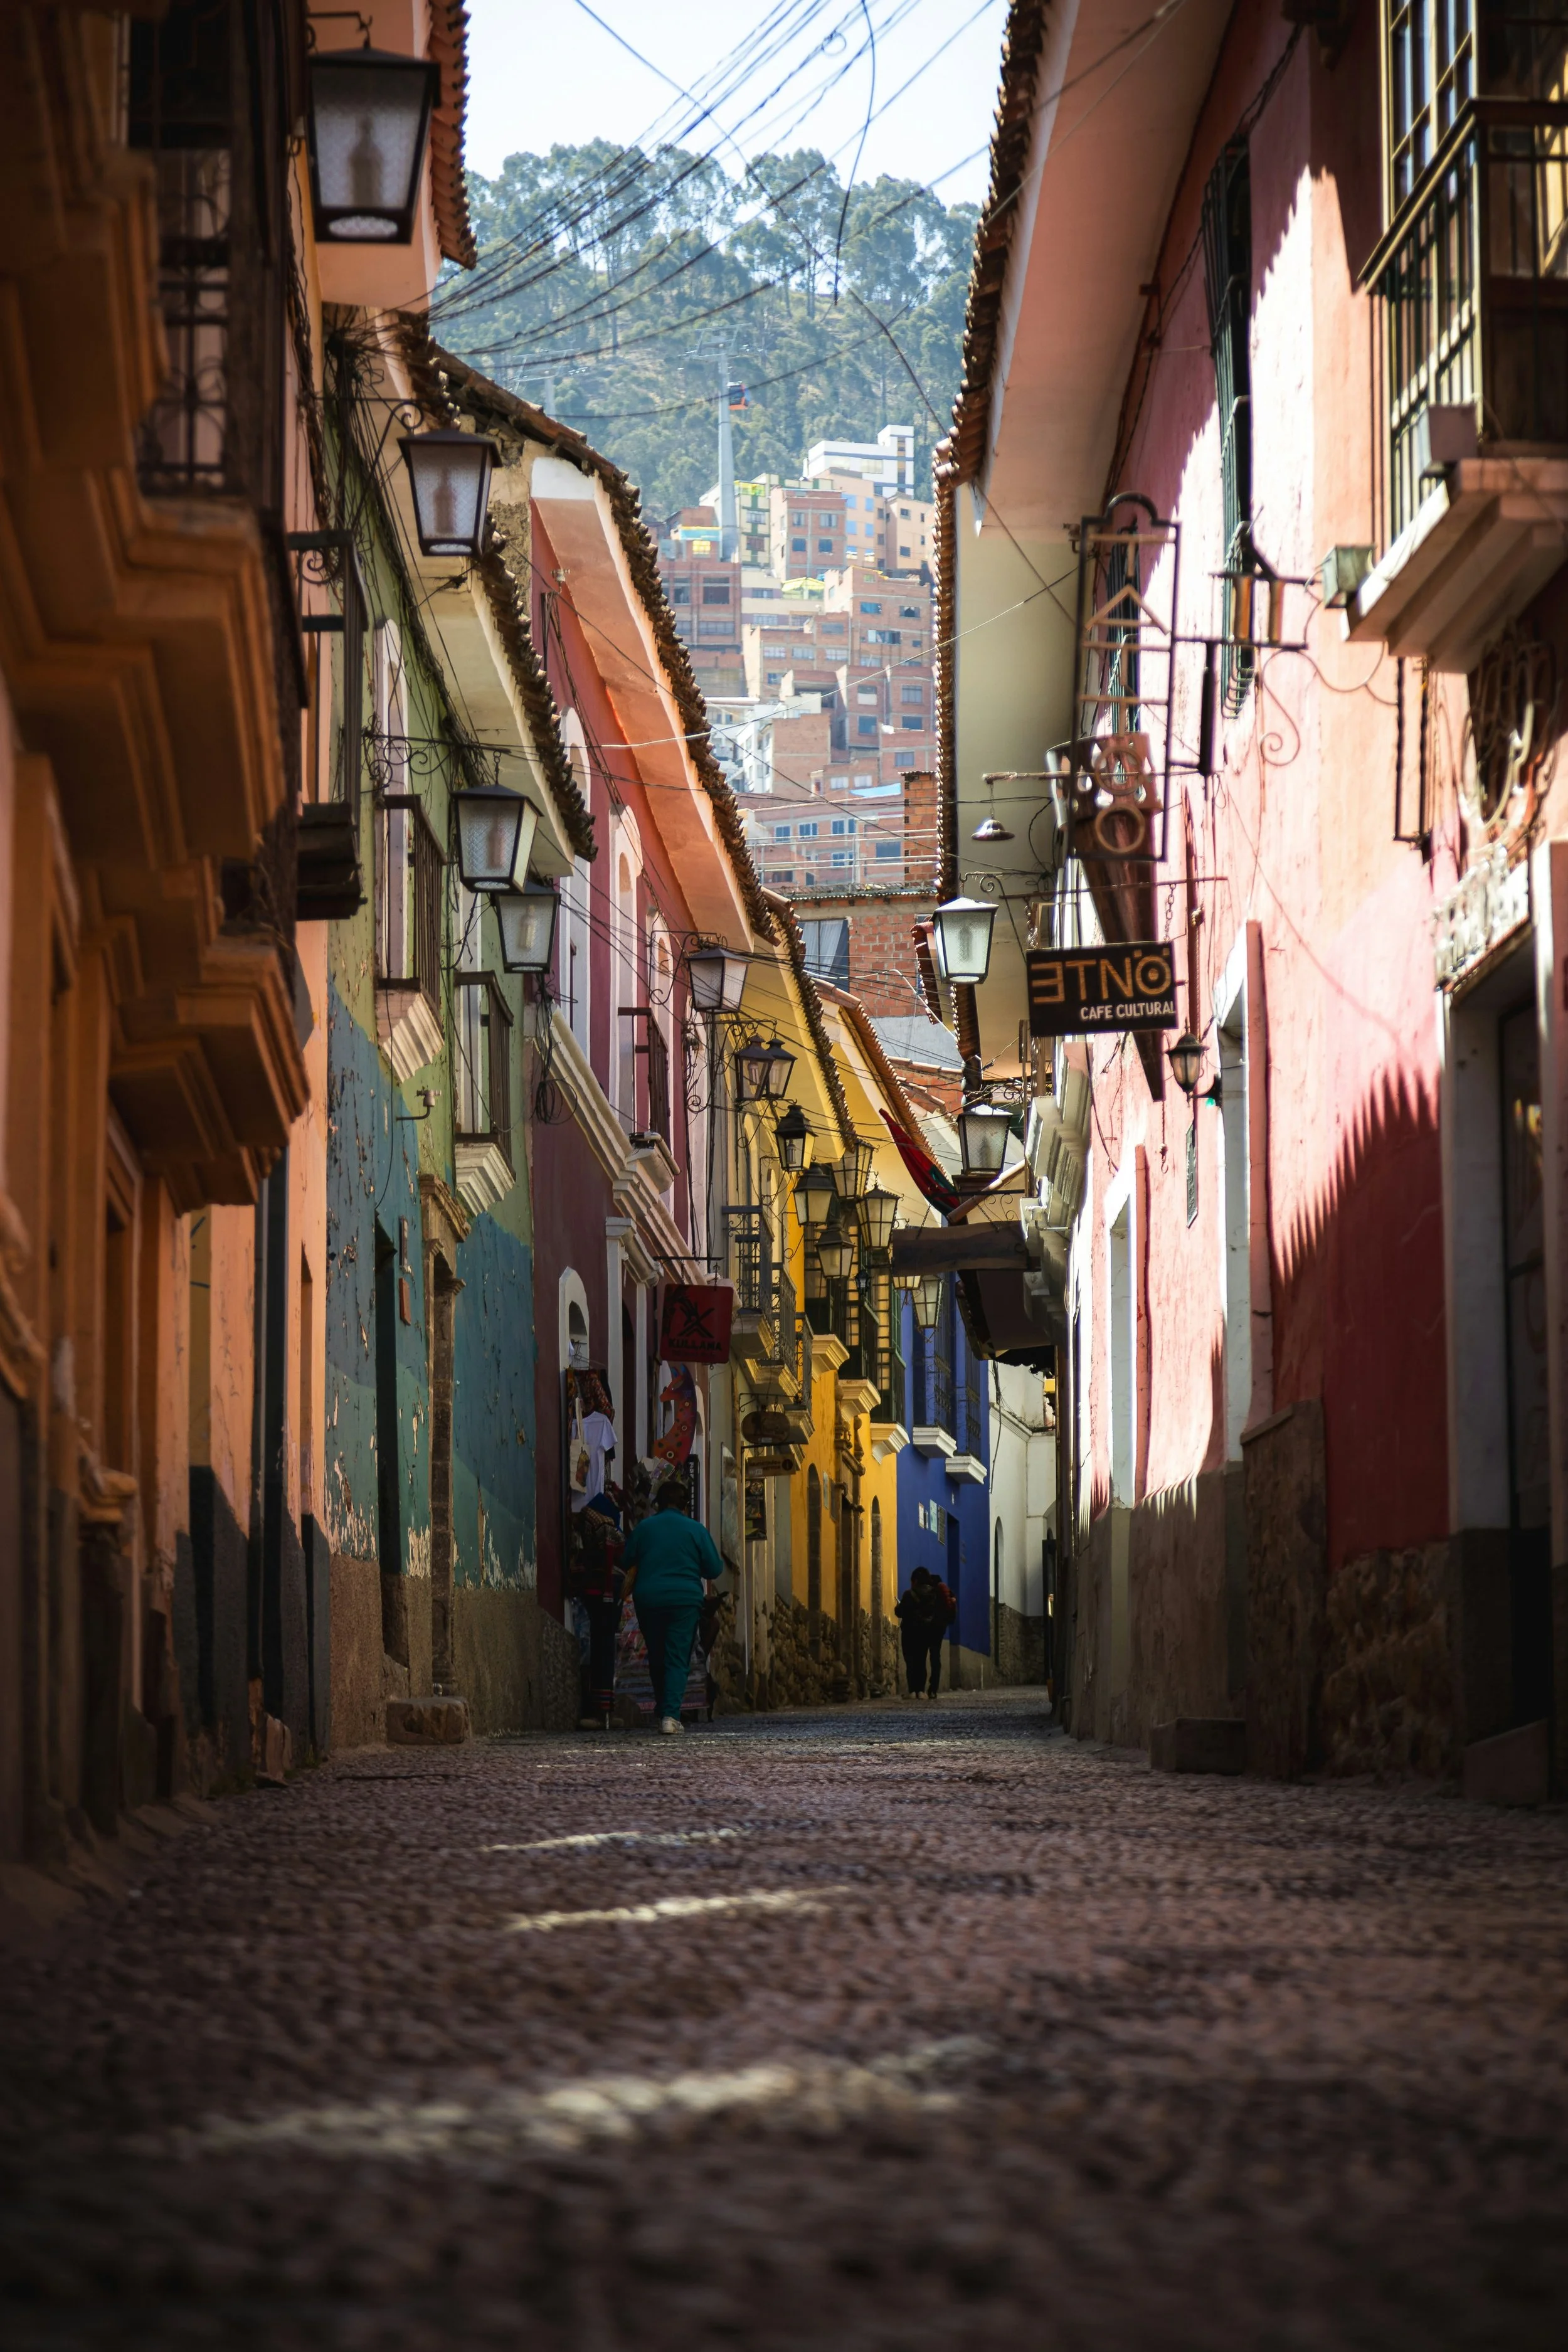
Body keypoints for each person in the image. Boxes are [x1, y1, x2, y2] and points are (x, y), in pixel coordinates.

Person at [618, 1473, 723, 1734]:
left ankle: (662, 1709)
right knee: (677, 1657)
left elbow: (626, 1558)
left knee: (657, 1654)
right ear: (686, 1505)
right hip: (684, 1601)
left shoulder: (645, 1528)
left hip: (649, 1599)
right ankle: (670, 1715)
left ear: (657, 1505)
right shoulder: (696, 1530)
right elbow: (714, 1568)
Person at [896, 1567, 945, 1700]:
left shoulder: (908, 1594)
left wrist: (898, 1606)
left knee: (910, 1662)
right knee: (921, 1661)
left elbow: (899, 1612)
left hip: (909, 1633)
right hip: (925, 1632)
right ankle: (921, 1691)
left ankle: (912, 1690)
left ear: (915, 1581)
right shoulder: (933, 1595)